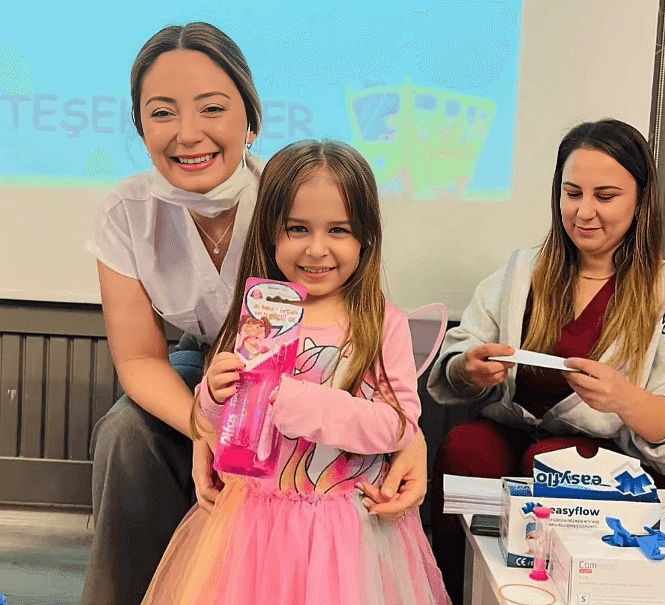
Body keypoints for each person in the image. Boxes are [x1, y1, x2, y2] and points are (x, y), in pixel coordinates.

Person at [83, 22, 427, 605]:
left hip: (305, 373)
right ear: (139, 126)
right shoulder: (125, 211)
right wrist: (205, 425)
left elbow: (373, 365)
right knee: (124, 435)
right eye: (161, 112)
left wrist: (406, 435)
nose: (188, 134)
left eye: (211, 108)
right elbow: (140, 358)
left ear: (252, 115)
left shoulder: (292, 193)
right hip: (209, 368)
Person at [139, 139, 450, 604]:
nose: (317, 249)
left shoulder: (383, 323)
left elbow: (398, 425)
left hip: (348, 534)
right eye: (297, 228)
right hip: (254, 528)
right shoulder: (259, 314)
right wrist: (213, 397)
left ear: (366, 236)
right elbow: (229, 433)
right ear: (270, 233)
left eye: (339, 230)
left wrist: (294, 402)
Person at [427, 118, 665, 604]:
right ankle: (454, 594)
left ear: (641, 200)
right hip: (511, 439)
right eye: (571, 192)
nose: (583, 212)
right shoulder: (521, 274)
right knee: (468, 447)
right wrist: (468, 369)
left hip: (606, 465)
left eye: (606, 196)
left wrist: (626, 399)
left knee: (553, 460)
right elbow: (458, 357)